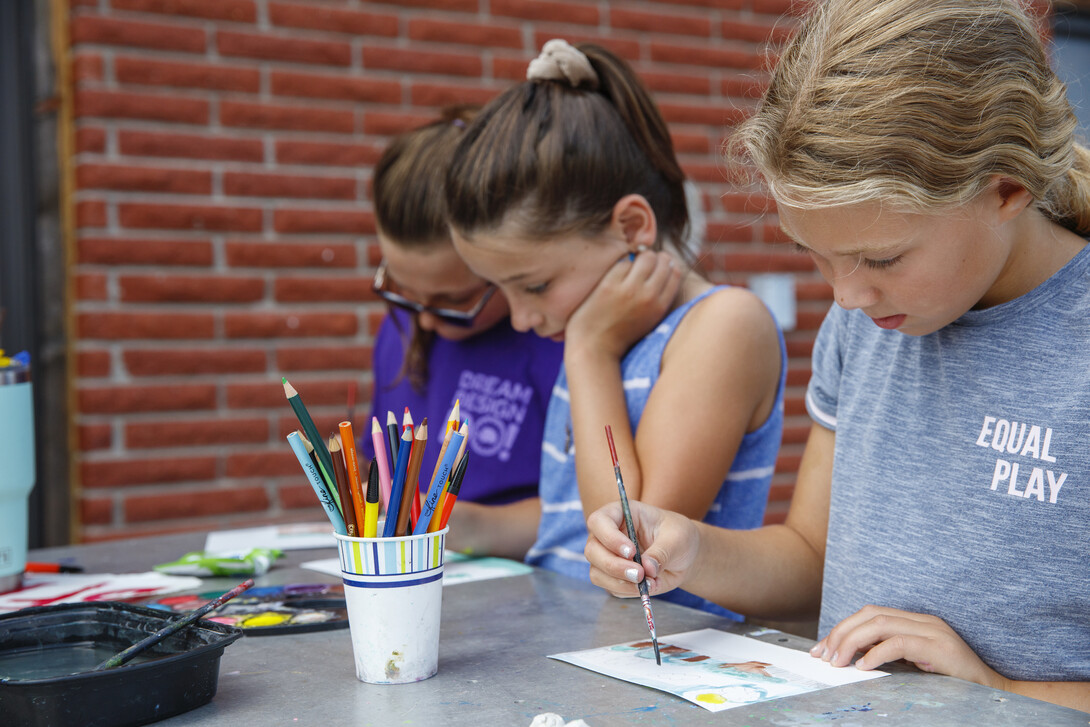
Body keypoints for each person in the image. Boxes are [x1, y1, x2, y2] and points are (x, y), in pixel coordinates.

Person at [584, 0, 1090, 711]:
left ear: (1007, 187)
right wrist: (691, 549)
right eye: (815, 256)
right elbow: (812, 557)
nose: (846, 294)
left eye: (881, 256)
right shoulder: (868, 322)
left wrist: (1001, 691)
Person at [446, 40, 786, 617]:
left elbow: (631, 540)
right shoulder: (601, 333)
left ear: (632, 226)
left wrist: (590, 353)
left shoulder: (723, 326)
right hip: (575, 641)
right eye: (499, 290)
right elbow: (564, 526)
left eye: (533, 286)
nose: (522, 318)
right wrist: (456, 523)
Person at [362, 106, 563, 559]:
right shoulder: (402, 326)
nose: (426, 319)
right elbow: (375, 466)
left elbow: (591, 509)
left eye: (454, 300)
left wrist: (454, 525)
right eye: (402, 289)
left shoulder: (555, 337)